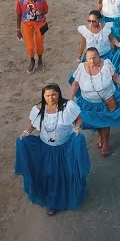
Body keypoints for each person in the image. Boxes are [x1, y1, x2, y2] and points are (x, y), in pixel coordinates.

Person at [15, 84, 89, 215]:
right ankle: (52, 202)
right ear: (43, 96)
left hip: (65, 148)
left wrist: (77, 127)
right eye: (47, 95)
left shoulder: (68, 107)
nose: (50, 98)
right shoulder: (38, 109)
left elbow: (78, 119)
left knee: (66, 174)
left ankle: (67, 196)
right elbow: (33, 123)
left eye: (53, 94)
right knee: (49, 175)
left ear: (59, 94)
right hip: (46, 149)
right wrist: (26, 132)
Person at [69, 47, 120, 158]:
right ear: (86, 58)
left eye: (94, 58)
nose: (92, 61)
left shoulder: (106, 64)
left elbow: (115, 76)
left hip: (107, 99)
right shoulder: (81, 68)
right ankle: (100, 135)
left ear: (99, 56)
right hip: (88, 102)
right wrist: (70, 99)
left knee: (105, 121)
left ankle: (106, 142)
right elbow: (75, 84)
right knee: (95, 121)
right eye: (89, 58)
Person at [76, 10, 120, 84]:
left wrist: (117, 43)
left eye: (93, 21)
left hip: (108, 56)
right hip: (92, 59)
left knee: (111, 76)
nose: (91, 23)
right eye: (89, 21)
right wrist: (79, 58)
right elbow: (82, 45)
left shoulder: (106, 27)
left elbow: (112, 38)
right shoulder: (85, 30)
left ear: (99, 20)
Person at [15, 0, 49, 74]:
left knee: (39, 43)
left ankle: (40, 59)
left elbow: (46, 10)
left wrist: (41, 12)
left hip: (39, 23)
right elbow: (19, 15)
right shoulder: (21, 0)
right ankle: (32, 60)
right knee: (29, 46)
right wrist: (18, 29)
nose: (34, 1)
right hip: (26, 24)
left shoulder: (41, 0)